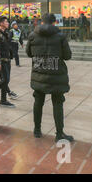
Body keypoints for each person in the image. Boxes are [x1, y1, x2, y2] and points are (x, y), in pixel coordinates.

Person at [26, 13, 74, 142]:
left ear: (42, 22)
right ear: (54, 22)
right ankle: (59, 133)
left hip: (39, 73)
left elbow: (29, 53)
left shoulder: (32, 36)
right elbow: (67, 55)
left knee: (38, 102)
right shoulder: (60, 36)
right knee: (58, 104)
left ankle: (37, 130)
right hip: (56, 75)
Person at [0, 16, 17, 108]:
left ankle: (3, 100)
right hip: (1, 60)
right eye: (6, 22)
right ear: (1, 23)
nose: (8, 23)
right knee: (5, 80)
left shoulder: (5, 33)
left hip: (7, 59)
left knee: (6, 80)